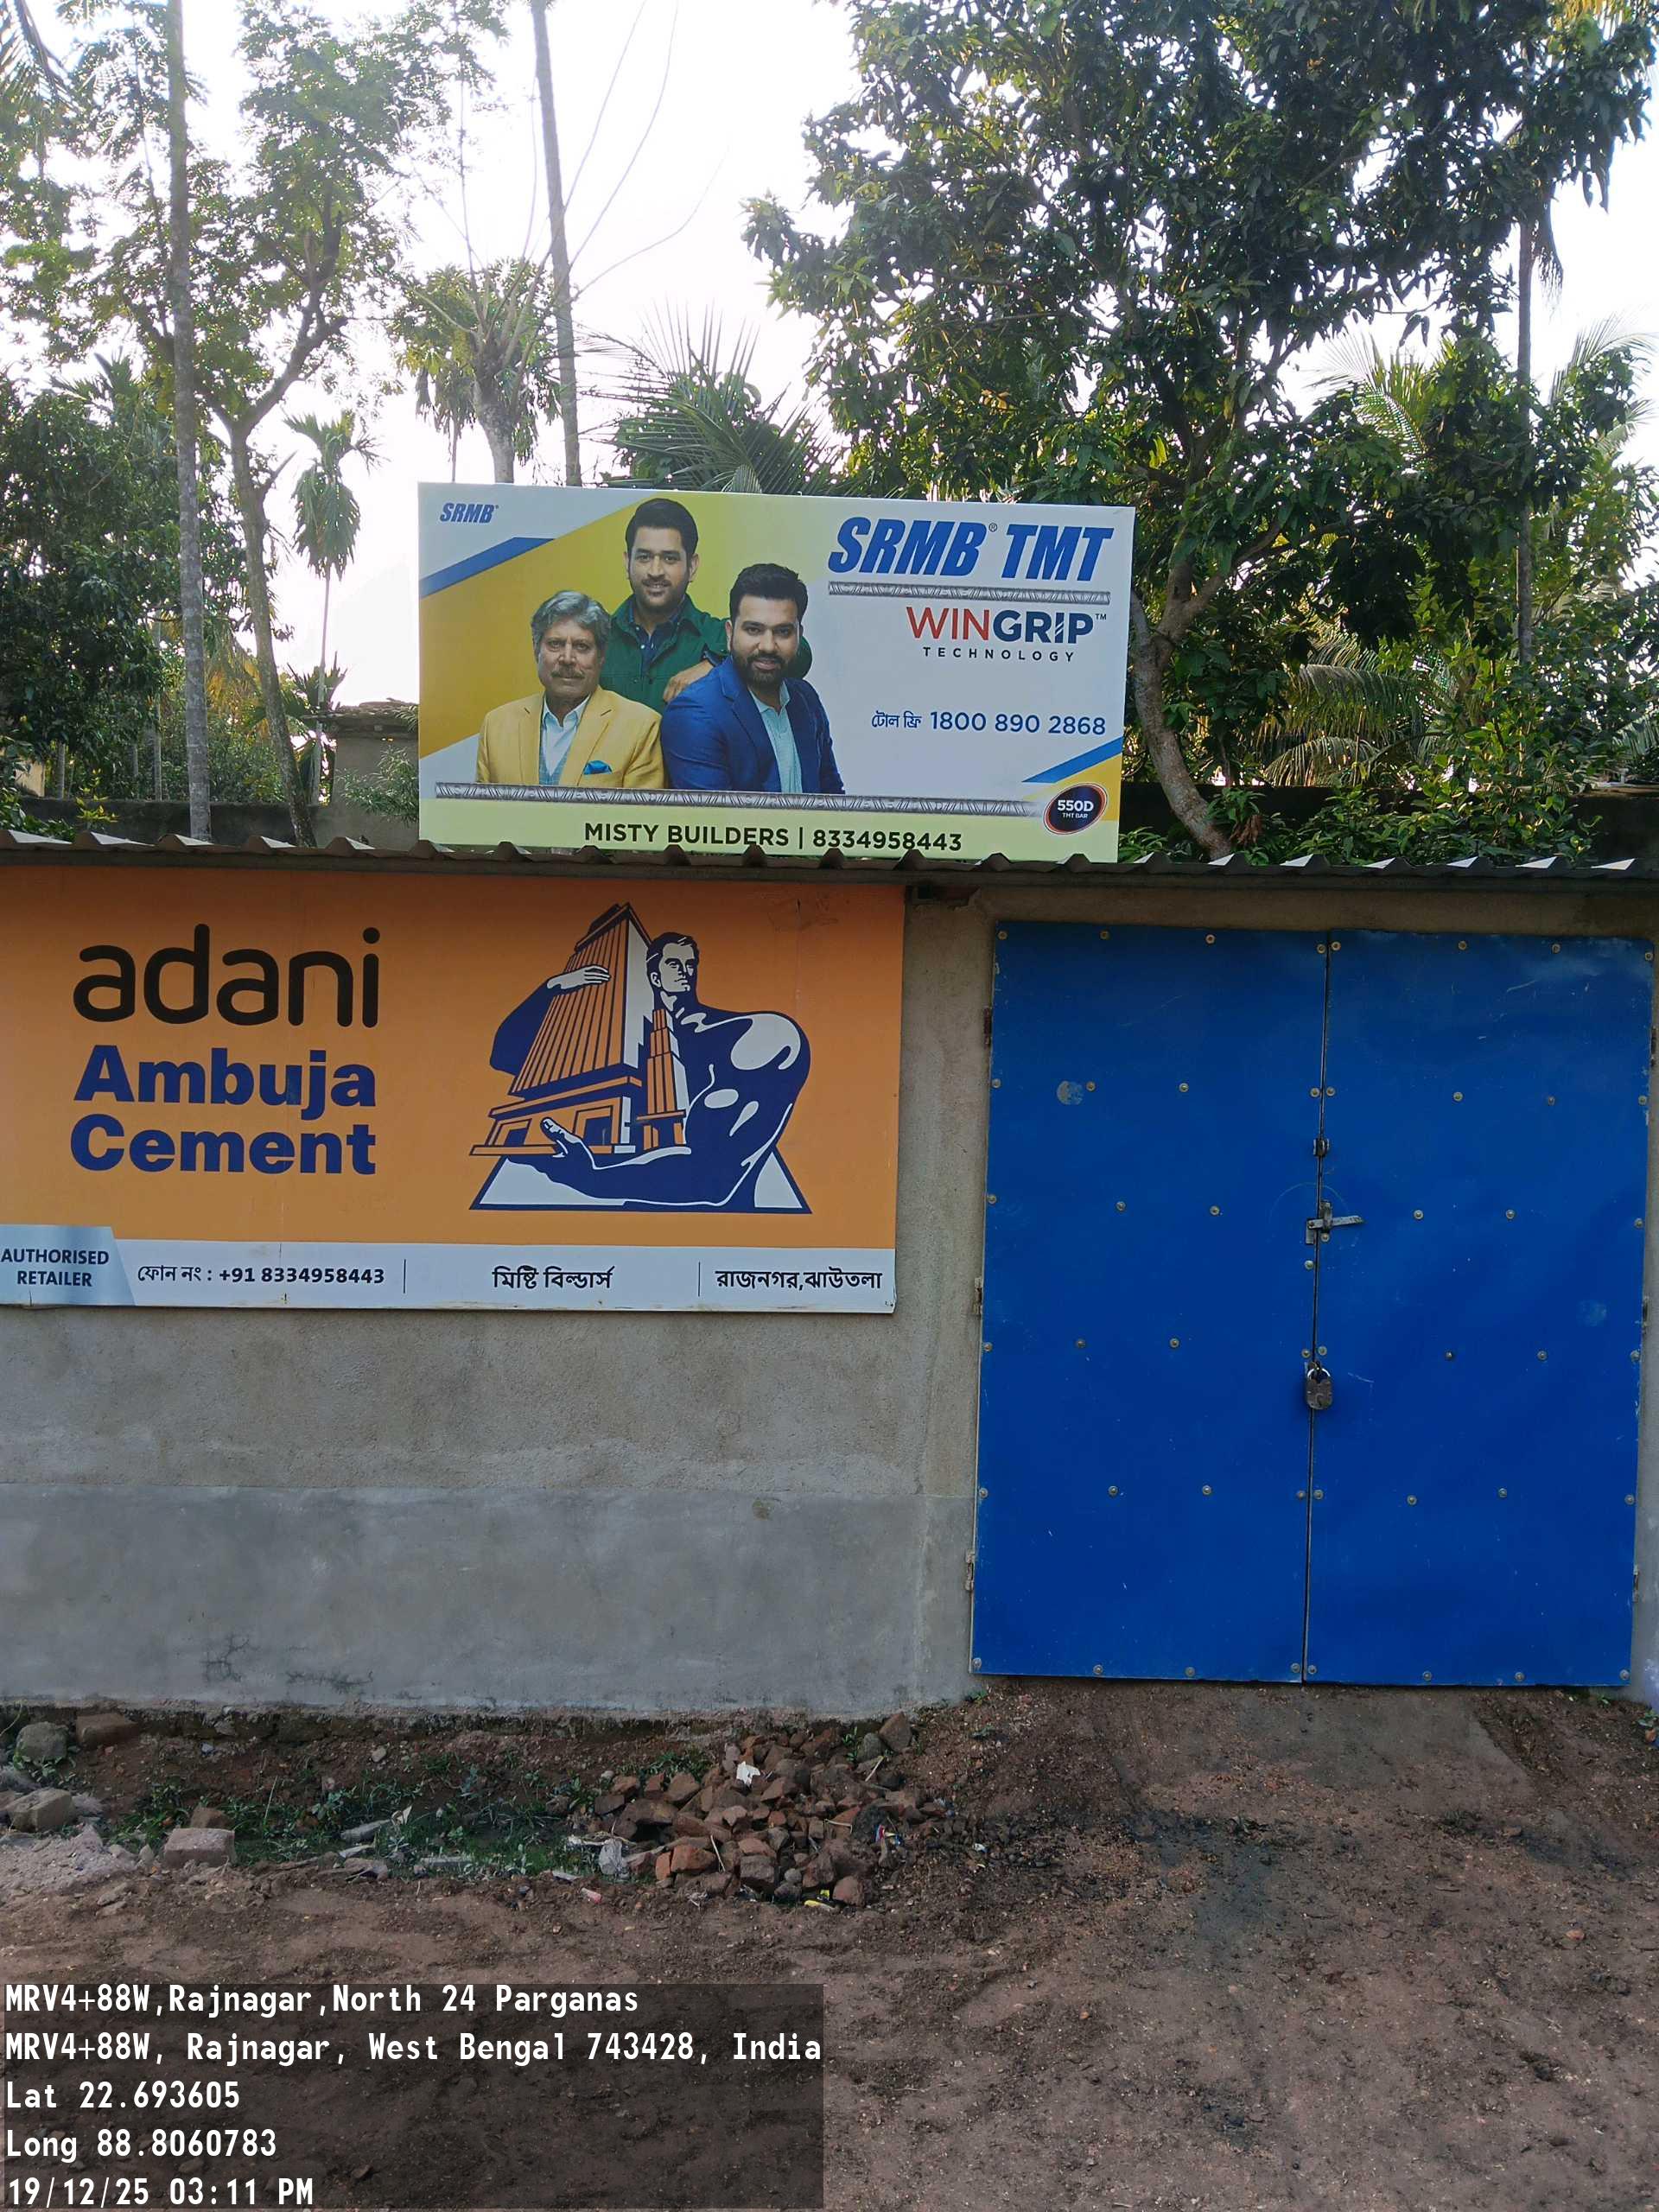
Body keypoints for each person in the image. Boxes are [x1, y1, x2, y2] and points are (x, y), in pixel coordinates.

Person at [527, 931, 810, 1210]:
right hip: (632, 1224)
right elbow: (508, 1053)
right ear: (655, 977)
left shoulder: (759, 1038)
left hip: (721, 1230)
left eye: (690, 964)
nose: (685, 972)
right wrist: (553, 986)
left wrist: (593, 1179)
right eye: (674, 964)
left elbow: (714, 1181)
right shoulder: (627, 1046)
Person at [601, 497, 812, 715]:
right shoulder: (598, 637)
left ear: (692, 567)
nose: (655, 571)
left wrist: (716, 665)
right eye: (644, 557)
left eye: (670, 558)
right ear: (627, 562)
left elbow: (800, 652)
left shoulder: (716, 634)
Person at [659, 564, 843, 796]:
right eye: (754, 630)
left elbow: (832, 797)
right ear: (730, 633)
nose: (768, 646)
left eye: (783, 632)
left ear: (799, 636)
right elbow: (713, 817)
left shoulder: (805, 698)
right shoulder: (695, 713)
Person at [474, 591, 664, 788]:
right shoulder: (496, 726)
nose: (567, 658)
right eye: (555, 644)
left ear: (601, 656)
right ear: (536, 650)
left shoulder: (640, 727)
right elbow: (480, 808)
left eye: (581, 646)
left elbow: (638, 808)